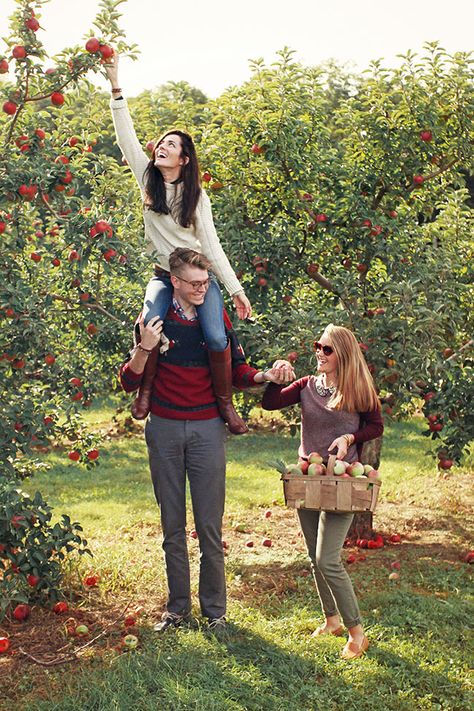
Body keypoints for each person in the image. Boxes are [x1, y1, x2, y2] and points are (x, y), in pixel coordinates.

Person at [119, 248, 294, 634]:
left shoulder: (216, 319)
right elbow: (128, 381)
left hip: (207, 430)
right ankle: (177, 611)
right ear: (174, 282)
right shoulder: (154, 319)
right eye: (194, 283)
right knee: (172, 527)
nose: (201, 289)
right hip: (163, 427)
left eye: (206, 283)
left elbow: (238, 370)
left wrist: (265, 376)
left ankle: (216, 613)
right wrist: (145, 346)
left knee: (210, 527)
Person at [106, 54, 252, 434]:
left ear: (184, 159)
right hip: (164, 275)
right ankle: (146, 392)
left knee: (217, 334)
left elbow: (213, 246)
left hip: (199, 277)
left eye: (171, 145)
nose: (162, 148)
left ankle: (225, 404)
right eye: (162, 144)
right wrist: (115, 87)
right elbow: (127, 138)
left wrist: (235, 290)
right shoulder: (148, 179)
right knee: (150, 323)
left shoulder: (196, 197)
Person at [262, 324, 383, 659]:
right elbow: (271, 404)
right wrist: (274, 378)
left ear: (341, 354)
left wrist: (349, 438)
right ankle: (331, 620)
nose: (319, 353)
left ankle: (357, 632)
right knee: (314, 560)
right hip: (308, 479)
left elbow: (376, 425)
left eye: (327, 349)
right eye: (318, 346)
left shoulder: (357, 387)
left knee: (327, 559)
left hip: (343, 481)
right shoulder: (306, 386)